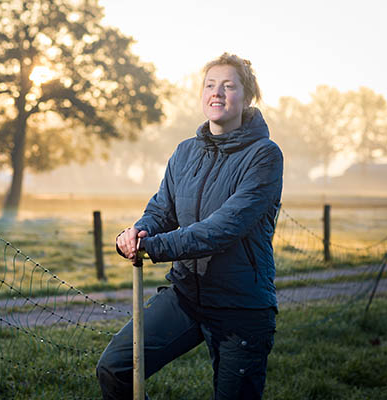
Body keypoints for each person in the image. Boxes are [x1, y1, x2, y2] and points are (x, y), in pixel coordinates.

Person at [96, 53, 283, 400]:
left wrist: (155, 248)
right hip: (185, 296)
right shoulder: (185, 152)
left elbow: (224, 228)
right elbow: (161, 210)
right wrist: (140, 233)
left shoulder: (265, 156)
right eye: (210, 85)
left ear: (248, 97)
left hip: (240, 307)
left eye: (229, 86)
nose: (218, 93)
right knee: (116, 369)